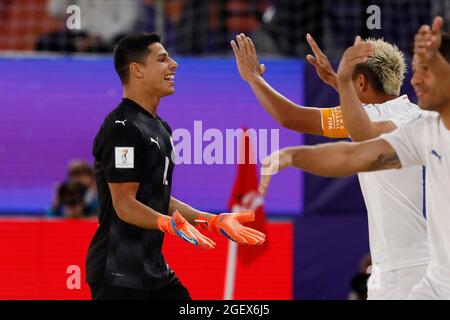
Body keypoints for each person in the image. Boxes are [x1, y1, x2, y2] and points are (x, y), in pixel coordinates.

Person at [259, 17, 450, 300]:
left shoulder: (393, 120)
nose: (416, 80)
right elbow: (357, 151)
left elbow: (294, 118)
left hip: (405, 271)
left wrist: (252, 78)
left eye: (427, 69)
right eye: (417, 68)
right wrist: (342, 83)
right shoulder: (419, 121)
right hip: (422, 272)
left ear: (361, 82)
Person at [86, 33, 266, 300]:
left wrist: (211, 220)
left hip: (153, 272)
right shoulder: (121, 128)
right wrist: (169, 224)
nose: (174, 64)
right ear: (137, 70)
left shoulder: (161, 128)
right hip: (117, 275)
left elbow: (156, 197)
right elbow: (124, 204)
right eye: (162, 59)